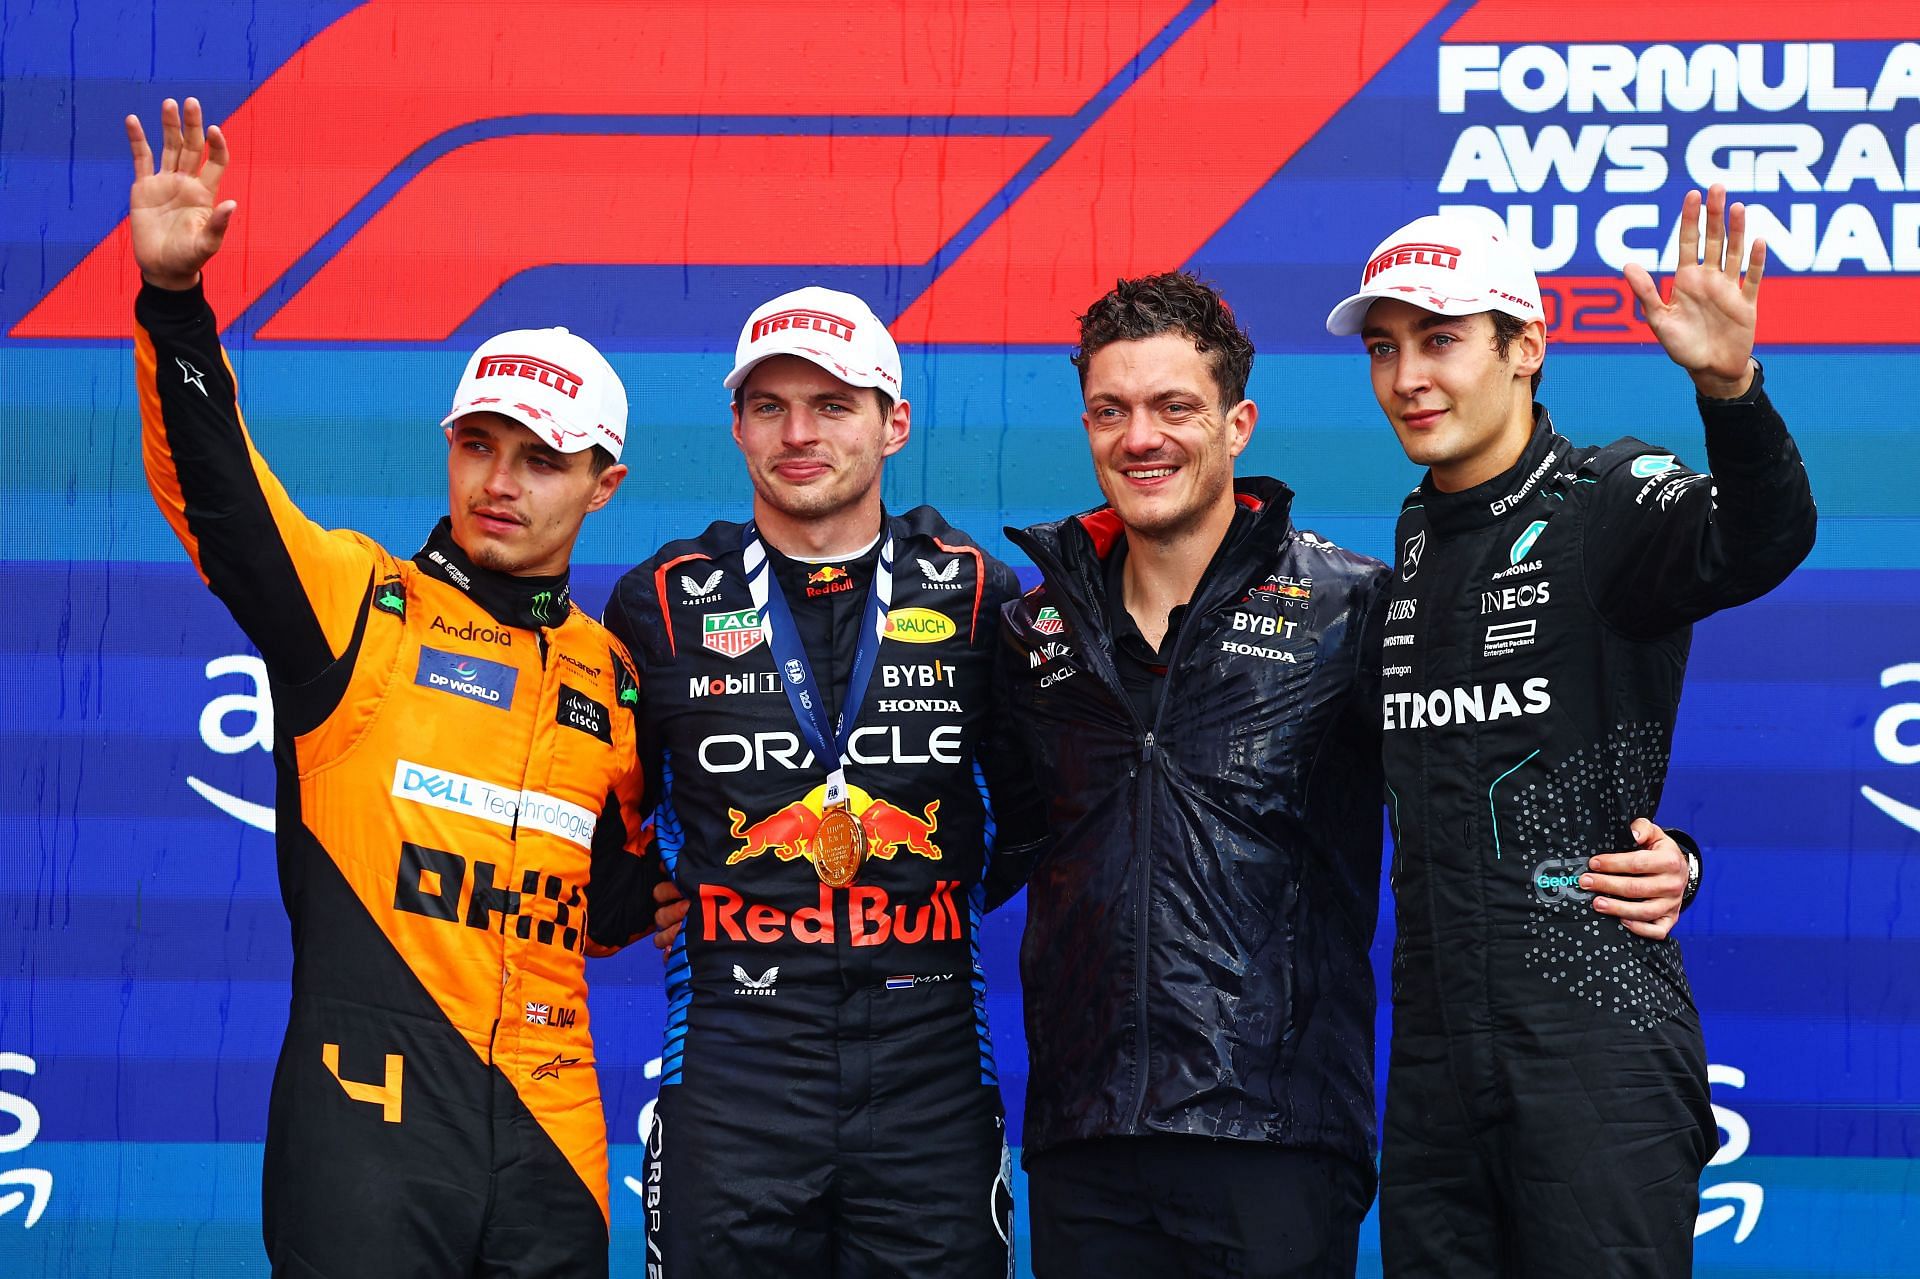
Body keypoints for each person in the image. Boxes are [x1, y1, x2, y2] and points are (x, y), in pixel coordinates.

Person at [996, 271, 1703, 1278]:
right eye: (1111, 410)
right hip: (1082, 1134)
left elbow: (1488, 769)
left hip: (1278, 1136)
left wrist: (1677, 857)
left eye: (1173, 407)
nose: (1139, 437)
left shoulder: (1353, 609)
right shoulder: (1033, 632)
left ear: (1238, 425)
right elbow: (986, 828)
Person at [127, 98, 652, 1277]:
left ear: (603, 484)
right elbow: (219, 494)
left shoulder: (614, 675)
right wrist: (173, 304)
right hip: (366, 1125)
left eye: (540, 457)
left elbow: (620, 889)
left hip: (555, 1138)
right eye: (479, 443)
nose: (500, 481)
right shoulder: (360, 605)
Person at [1326, 188, 1815, 1276]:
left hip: (1593, 1042)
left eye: (1443, 340)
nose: (1409, 377)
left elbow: (1764, 539)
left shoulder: (1607, 498)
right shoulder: (1403, 554)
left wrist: (1730, 391)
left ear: (1525, 348)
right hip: (1437, 1069)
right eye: (1388, 347)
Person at [602, 287, 1048, 1277]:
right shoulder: (662, 602)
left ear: (894, 424)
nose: (799, 433)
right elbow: (603, 811)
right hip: (733, 1074)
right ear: (736, 425)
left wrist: (943, 890)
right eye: (770, 405)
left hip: (930, 1078)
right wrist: (670, 890)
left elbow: (1036, 812)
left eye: (833, 404)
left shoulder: (977, 590)